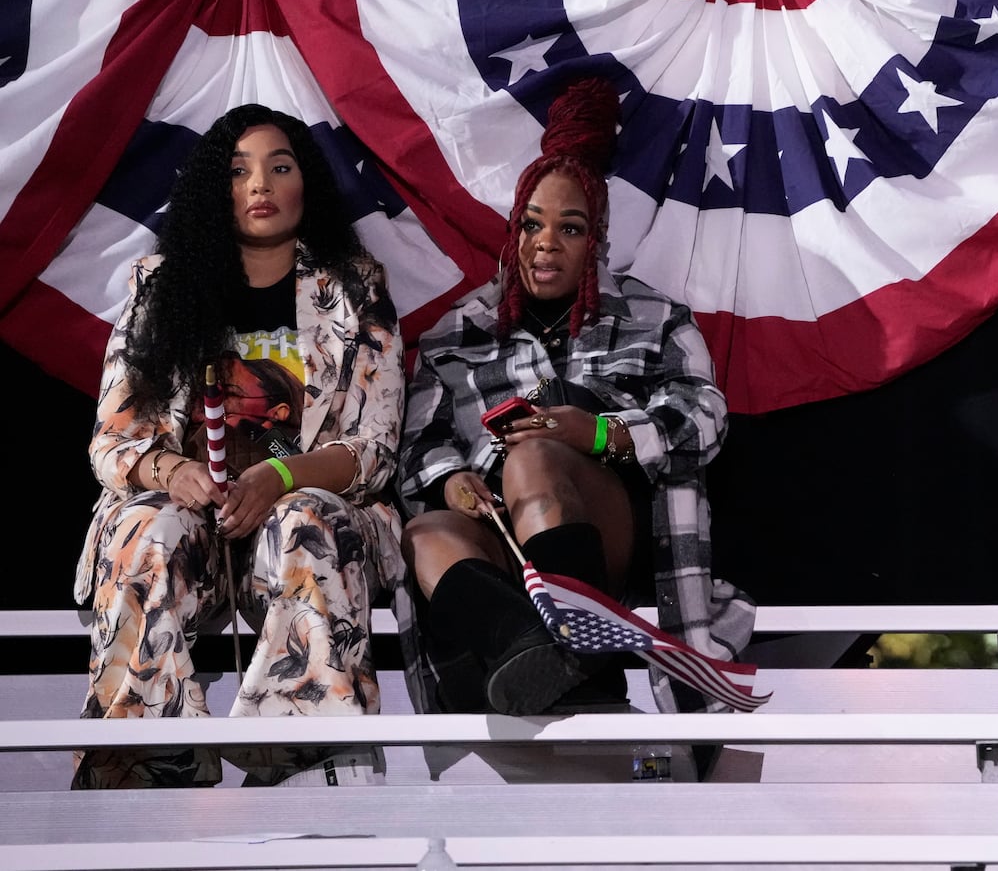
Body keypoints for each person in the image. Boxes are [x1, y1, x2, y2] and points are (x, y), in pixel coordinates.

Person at [398, 75, 755, 719]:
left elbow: (706, 420)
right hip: (503, 545)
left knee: (533, 455)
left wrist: (595, 433)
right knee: (425, 533)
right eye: (532, 224)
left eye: (570, 228)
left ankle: (585, 663)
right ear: (513, 230)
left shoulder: (652, 315)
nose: (545, 244)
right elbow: (418, 445)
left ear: (597, 240)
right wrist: (452, 481)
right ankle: (544, 659)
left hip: (616, 543)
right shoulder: (458, 331)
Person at [73, 104, 407, 788]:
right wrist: (169, 468)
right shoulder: (158, 288)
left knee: (303, 523)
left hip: (301, 527)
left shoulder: (352, 289)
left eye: (280, 167)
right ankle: (144, 755)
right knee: (148, 524)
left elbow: (374, 448)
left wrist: (283, 476)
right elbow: (112, 440)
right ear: (211, 190)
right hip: (193, 528)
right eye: (239, 170)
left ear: (304, 184)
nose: (260, 183)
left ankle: (302, 755)